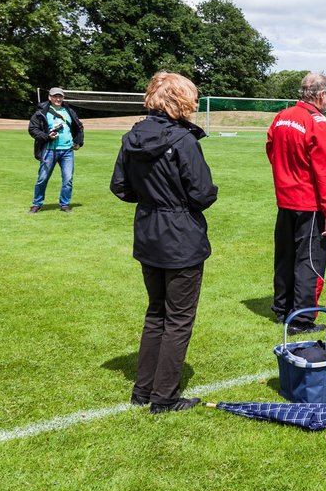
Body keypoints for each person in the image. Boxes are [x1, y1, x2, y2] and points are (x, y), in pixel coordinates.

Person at [110, 72, 218, 414]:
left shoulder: (132, 137)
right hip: (178, 234)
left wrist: (152, 198)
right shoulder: (183, 141)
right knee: (178, 318)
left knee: (157, 312)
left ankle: (144, 390)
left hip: (150, 232)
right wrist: (171, 202)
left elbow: (122, 186)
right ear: (179, 101)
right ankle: (164, 396)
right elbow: (202, 193)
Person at [267, 72, 326, 330]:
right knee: (309, 260)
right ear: (321, 95)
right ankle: (302, 318)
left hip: (285, 199)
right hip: (309, 203)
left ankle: (282, 307)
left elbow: (270, 149)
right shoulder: (319, 123)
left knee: (285, 256)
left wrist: (286, 176)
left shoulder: (281, 117)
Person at [28, 86, 84, 213]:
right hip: (49, 150)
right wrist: (47, 136)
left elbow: (79, 127)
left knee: (68, 179)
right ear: (49, 97)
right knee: (42, 178)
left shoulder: (69, 110)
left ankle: (64, 204)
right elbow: (33, 129)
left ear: (63, 97)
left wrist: (78, 142)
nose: (57, 99)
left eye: (60, 96)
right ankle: (37, 203)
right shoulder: (42, 111)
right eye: (55, 96)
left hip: (67, 151)